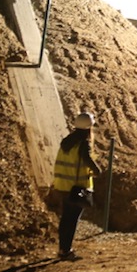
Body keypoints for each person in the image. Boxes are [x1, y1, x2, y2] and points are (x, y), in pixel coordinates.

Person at [52, 111, 102, 260]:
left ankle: (62, 249)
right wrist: (97, 171)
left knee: (65, 218)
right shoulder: (83, 144)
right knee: (72, 220)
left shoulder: (67, 142)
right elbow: (89, 162)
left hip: (63, 186)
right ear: (89, 128)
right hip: (76, 188)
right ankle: (66, 251)